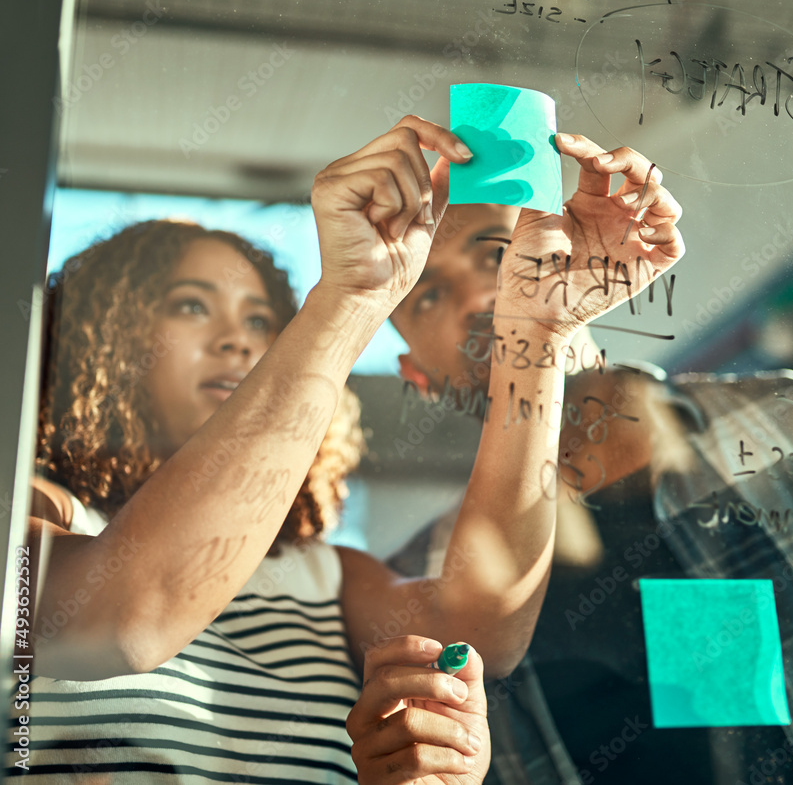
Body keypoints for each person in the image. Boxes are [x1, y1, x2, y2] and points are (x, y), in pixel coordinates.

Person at [11, 118, 684, 783]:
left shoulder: (329, 577)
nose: (238, 342)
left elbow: (484, 628)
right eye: (191, 307)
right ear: (102, 341)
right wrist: (350, 297)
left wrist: (536, 333)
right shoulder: (34, 516)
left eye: (259, 321)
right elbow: (133, 616)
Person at [388, 190, 793, 785]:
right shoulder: (415, 598)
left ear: (573, 269)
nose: (475, 297)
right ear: (415, 376)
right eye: (429, 294)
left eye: (497, 256)